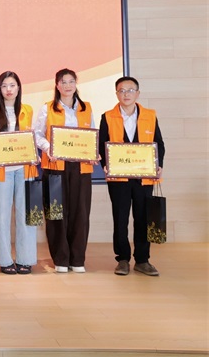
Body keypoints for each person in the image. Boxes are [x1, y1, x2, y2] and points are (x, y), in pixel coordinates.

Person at [98, 76, 165, 277]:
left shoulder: (150, 115)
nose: (126, 94)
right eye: (121, 90)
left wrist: (158, 165)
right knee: (120, 218)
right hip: (118, 178)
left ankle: (143, 260)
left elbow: (159, 143)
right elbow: (101, 144)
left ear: (138, 93)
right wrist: (105, 165)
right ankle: (123, 259)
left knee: (143, 217)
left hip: (144, 176)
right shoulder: (107, 117)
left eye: (130, 90)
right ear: (116, 93)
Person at [33, 68, 96, 273]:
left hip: (81, 167)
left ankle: (77, 259)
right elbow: (37, 135)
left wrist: (93, 152)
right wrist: (48, 148)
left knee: (80, 212)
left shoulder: (86, 108)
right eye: (63, 82)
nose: (67, 86)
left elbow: (92, 135)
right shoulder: (47, 108)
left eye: (71, 81)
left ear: (76, 84)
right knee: (56, 212)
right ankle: (61, 259)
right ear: (57, 85)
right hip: (55, 166)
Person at [0, 71, 38, 275]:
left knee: (26, 215)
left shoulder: (28, 110)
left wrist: (34, 152)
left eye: (12, 85)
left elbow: (33, 137)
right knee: (2, 216)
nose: (8, 89)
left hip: (25, 169)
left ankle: (26, 259)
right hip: (0, 170)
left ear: (19, 88)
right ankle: (5, 260)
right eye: (4, 86)